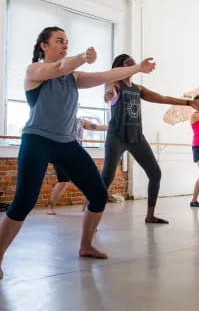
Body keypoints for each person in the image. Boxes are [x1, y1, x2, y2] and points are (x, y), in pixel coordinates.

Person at [0, 26, 155, 279]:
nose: (64, 45)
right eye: (59, 41)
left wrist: (137, 69)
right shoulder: (35, 71)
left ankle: (86, 245)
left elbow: (108, 74)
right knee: (23, 202)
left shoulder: (74, 78)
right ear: (44, 46)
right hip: (37, 140)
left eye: (67, 41)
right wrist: (83, 57)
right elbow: (59, 68)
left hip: (67, 143)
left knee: (98, 194)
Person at [102, 54, 199, 224]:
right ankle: (92, 212)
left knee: (155, 174)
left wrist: (190, 103)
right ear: (120, 67)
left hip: (136, 137)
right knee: (107, 176)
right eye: (128, 63)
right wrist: (108, 95)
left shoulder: (139, 89)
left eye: (133, 62)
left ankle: (150, 215)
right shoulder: (115, 85)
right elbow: (109, 93)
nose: (133, 65)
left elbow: (162, 98)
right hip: (117, 137)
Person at [47, 118, 108, 215]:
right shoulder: (60, 119)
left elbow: (96, 127)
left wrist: (112, 126)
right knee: (63, 181)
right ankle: (50, 207)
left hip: (77, 154)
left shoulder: (81, 121)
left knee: (88, 180)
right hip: (60, 154)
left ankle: (89, 205)